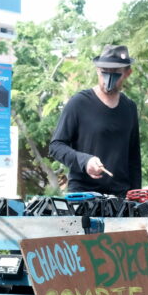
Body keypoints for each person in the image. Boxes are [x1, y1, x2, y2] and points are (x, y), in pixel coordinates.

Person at [49, 44, 141, 196]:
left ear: (127, 73)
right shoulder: (79, 103)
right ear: (97, 70)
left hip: (120, 197)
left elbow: (134, 158)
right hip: (84, 195)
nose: (108, 79)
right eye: (104, 72)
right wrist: (84, 161)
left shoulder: (130, 108)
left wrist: (136, 197)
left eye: (115, 73)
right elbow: (56, 146)